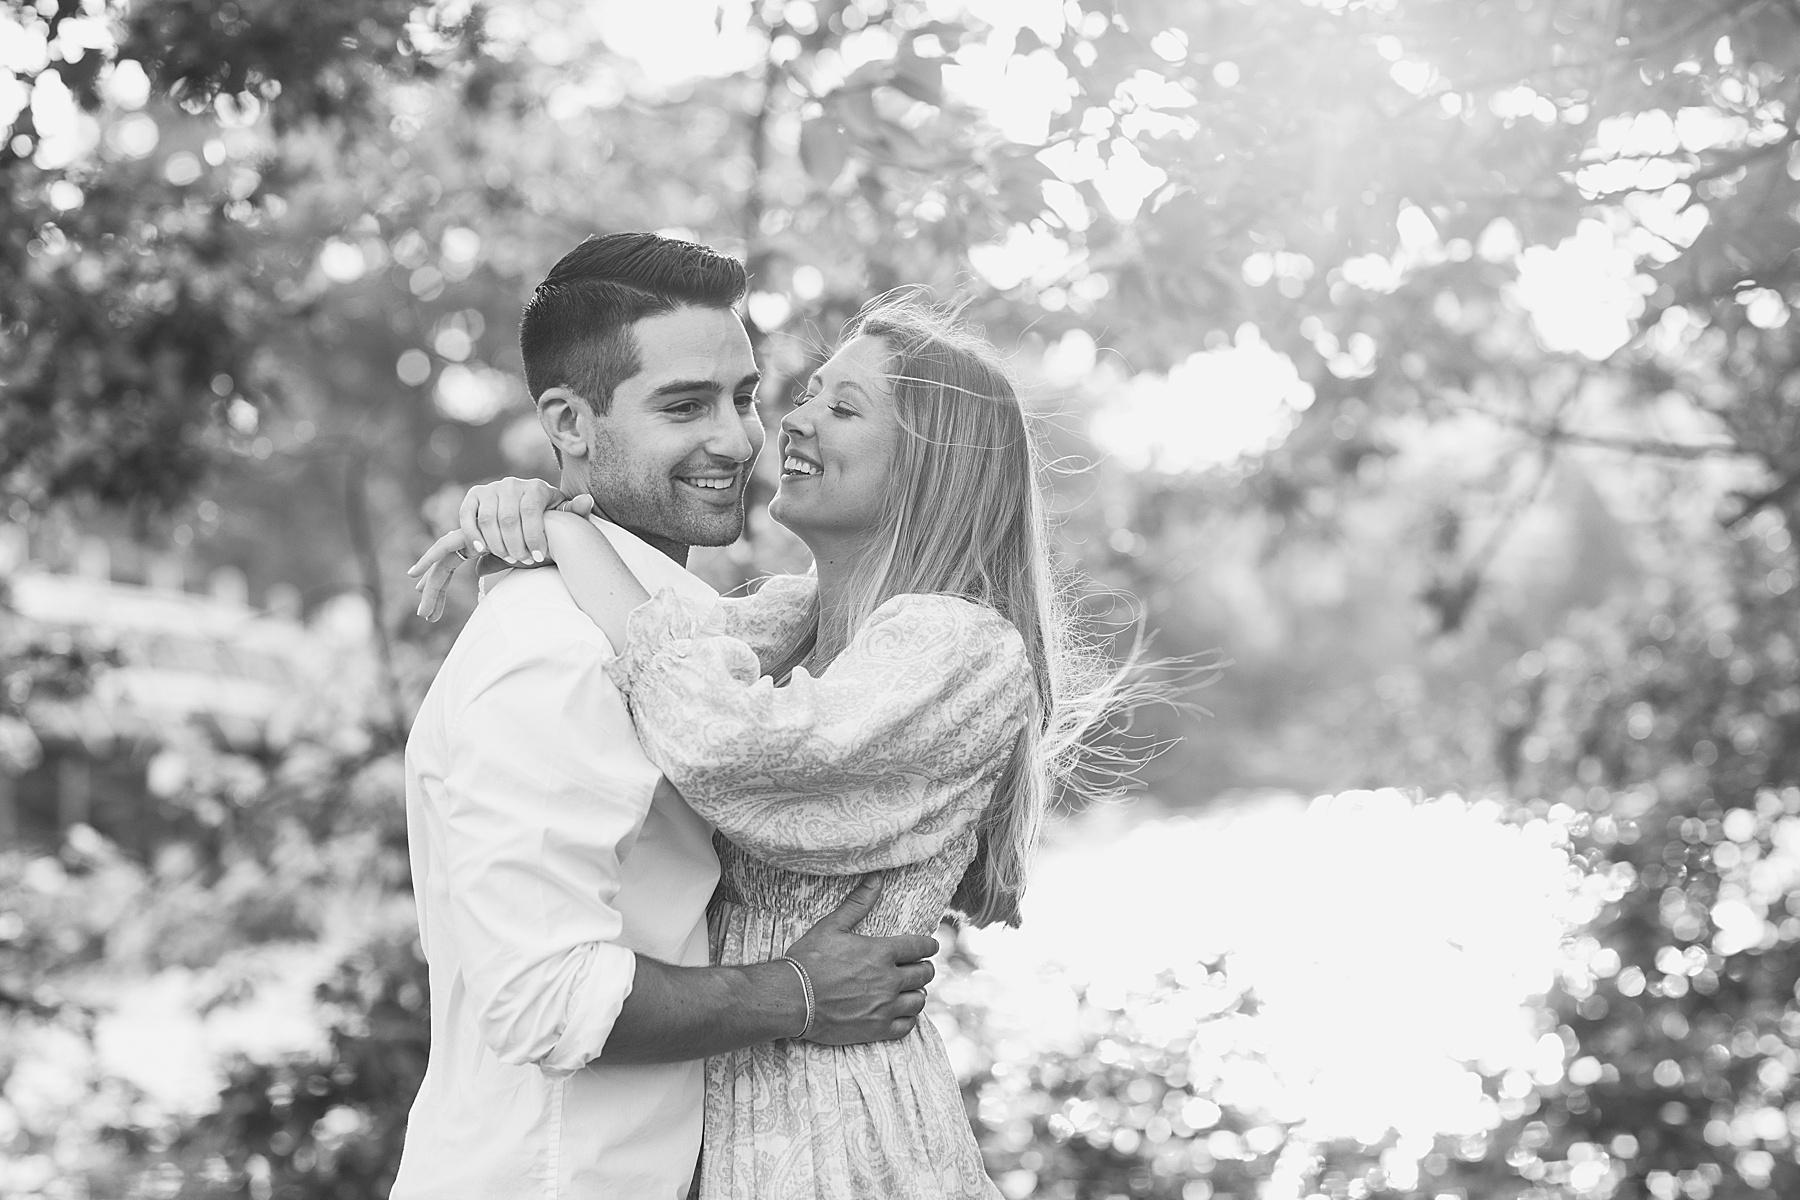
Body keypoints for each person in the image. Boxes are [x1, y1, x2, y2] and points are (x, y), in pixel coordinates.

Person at [412, 292, 1131, 1198]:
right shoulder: (795, 621)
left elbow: (716, 735)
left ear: (930, 466)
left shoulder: (960, 647)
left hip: (836, 1129)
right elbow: (666, 634)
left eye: (842, 405)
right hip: (728, 1117)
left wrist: (562, 526)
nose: (787, 420)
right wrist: (540, 507)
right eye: (808, 393)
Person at [391, 233, 941, 1200]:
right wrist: (800, 994)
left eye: (742, 397)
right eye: (683, 406)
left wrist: (553, 514)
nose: (737, 440)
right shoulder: (554, 654)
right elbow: (543, 1000)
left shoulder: (679, 638)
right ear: (569, 419)